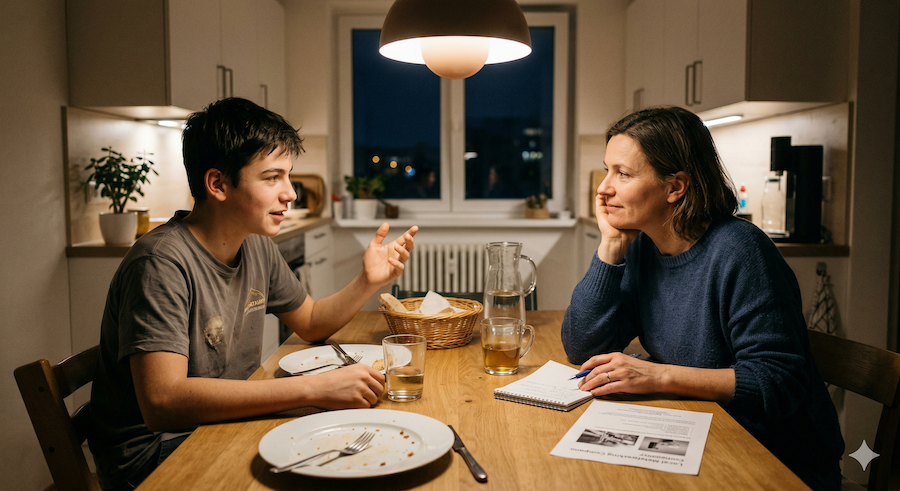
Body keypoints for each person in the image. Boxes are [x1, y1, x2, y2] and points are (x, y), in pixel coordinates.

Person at [87, 97, 418, 491]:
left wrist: (368, 281)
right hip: (154, 457)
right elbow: (163, 403)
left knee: (362, 450)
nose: (290, 193)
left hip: (214, 426)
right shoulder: (160, 263)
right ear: (218, 184)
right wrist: (313, 388)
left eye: (288, 176)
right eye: (272, 178)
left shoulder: (254, 243)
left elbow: (310, 322)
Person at [561, 106, 843, 491]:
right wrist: (610, 246)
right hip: (699, 430)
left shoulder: (741, 252)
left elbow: (778, 382)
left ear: (676, 187)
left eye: (622, 174)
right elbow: (582, 346)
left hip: (777, 458)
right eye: (608, 169)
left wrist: (657, 375)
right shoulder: (643, 246)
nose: (603, 187)